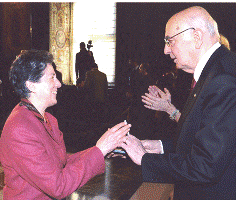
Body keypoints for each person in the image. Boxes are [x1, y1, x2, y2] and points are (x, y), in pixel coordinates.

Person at [120, 6, 236, 199]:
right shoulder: (213, 71)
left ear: (197, 37)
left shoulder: (222, 79)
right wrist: (160, 147)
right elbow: (203, 140)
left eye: (170, 41)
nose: (166, 50)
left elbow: (206, 165)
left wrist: (145, 159)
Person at [0, 50, 131, 200]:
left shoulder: (47, 118)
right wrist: (99, 151)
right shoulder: (20, 128)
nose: (59, 84)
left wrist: (100, 151)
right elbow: (58, 186)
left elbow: (61, 161)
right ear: (32, 85)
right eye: (52, 77)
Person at [142, 34, 231, 123]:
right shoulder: (195, 76)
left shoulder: (220, 81)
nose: (167, 51)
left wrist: (169, 108)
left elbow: (200, 129)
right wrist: (167, 106)